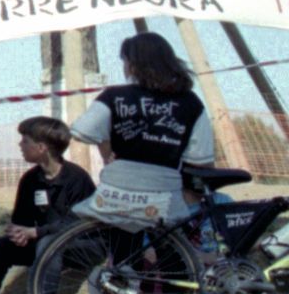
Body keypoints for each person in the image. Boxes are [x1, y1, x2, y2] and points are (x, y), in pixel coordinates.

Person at [69, 32, 212, 228]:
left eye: (125, 61)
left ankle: (121, 258)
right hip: (163, 194)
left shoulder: (114, 96)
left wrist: (107, 150)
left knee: (119, 238)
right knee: (170, 241)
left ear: (134, 64)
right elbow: (201, 159)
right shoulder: (190, 102)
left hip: (116, 192)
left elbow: (82, 130)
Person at [0, 116, 95, 294]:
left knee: (48, 245)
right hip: (47, 242)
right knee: (3, 245)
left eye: (25, 140)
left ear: (41, 147)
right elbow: (22, 221)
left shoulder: (77, 178)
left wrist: (36, 232)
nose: (19, 144)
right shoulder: (30, 180)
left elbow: (77, 225)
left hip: (83, 246)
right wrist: (18, 233)